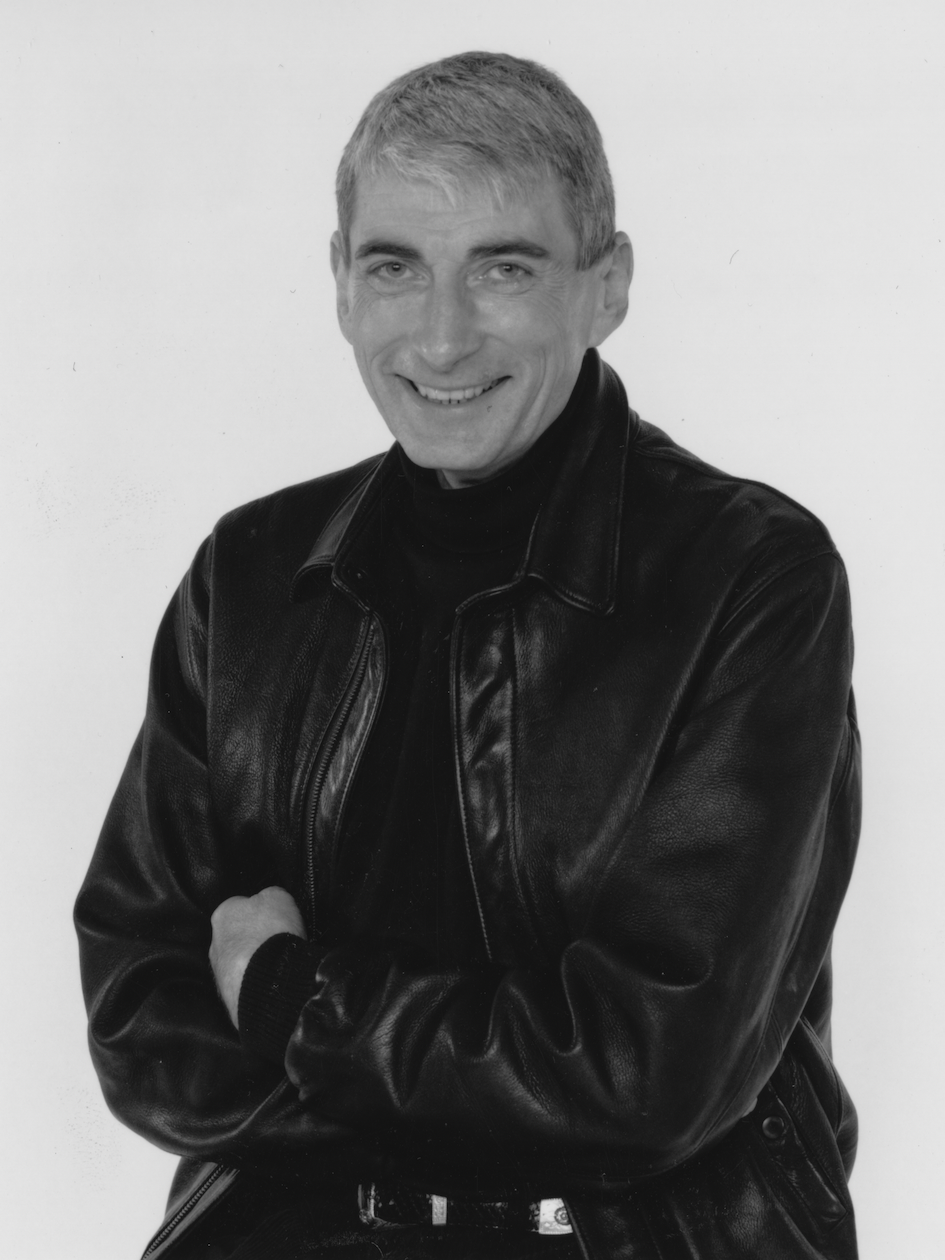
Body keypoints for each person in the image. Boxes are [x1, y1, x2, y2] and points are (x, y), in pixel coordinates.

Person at [75, 51, 861, 1260]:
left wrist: (286, 995)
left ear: (607, 286)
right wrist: (492, 1102)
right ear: (341, 285)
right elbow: (139, 1014)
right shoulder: (251, 574)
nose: (441, 340)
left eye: (505, 268)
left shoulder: (749, 579)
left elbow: (646, 1077)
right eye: (395, 267)